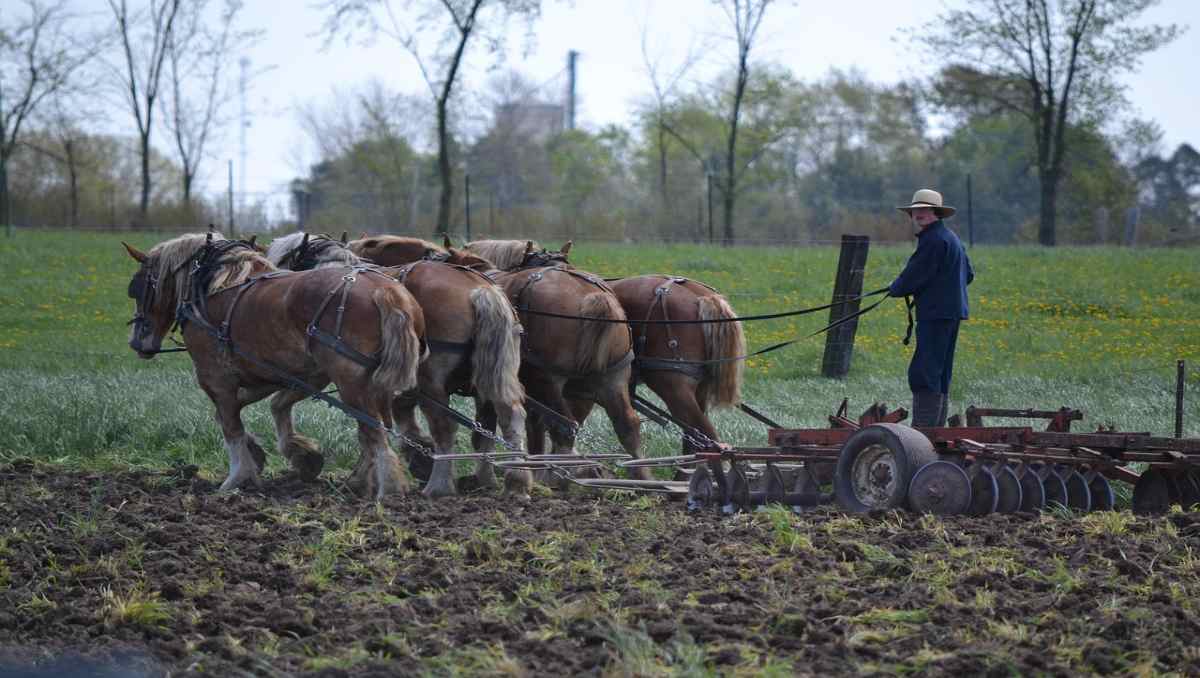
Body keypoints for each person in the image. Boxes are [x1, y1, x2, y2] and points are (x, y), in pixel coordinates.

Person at [888, 189, 974, 427]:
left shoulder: (933, 240)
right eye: (916, 210)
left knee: (924, 372)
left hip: (935, 314)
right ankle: (934, 431)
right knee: (940, 372)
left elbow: (913, 276)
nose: (919, 214)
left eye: (924, 209)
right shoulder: (951, 238)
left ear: (936, 212)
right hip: (951, 312)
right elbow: (968, 275)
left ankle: (923, 434)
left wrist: (894, 288)